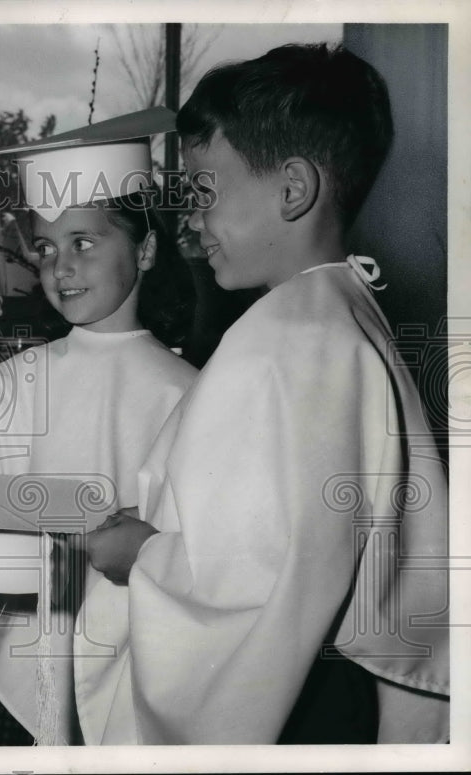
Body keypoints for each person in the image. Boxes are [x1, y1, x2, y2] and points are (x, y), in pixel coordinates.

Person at [77, 43, 449, 744]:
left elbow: (261, 595)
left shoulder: (286, 343)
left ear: (292, 190)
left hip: (301, 707)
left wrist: (143, 555)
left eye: (206, 191)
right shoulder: (341, 311)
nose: (190, 219)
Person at [0, 108, 199, 745]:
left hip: (124, 665)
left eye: (84, 243)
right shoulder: (20, 375)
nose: (61, 266)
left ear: (144, 248)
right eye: (46, 248)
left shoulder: (191, 393)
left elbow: (198, 554)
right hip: (9, 660)